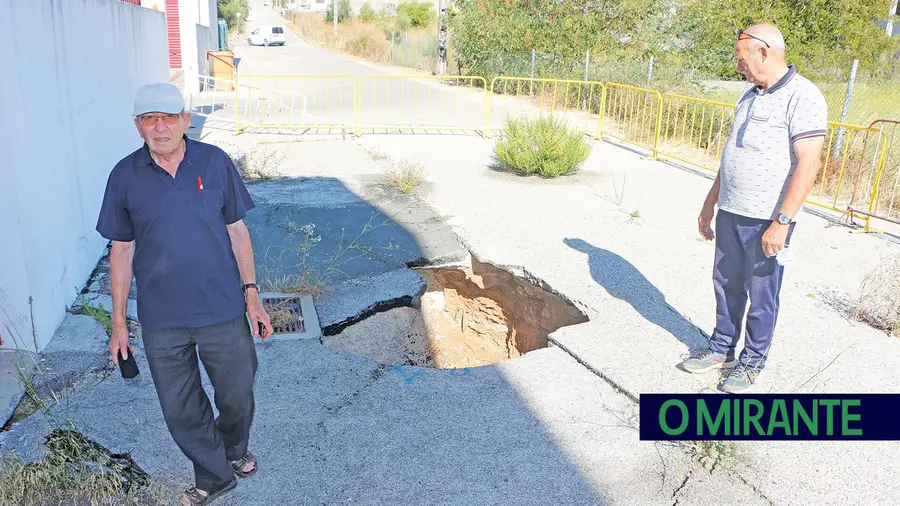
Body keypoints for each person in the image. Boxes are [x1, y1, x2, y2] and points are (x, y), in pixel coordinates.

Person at [96, 82, 274, 505]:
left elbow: (237, 232)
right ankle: (214, 475)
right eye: (149, 119)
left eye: (168, 118)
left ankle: (231, 449)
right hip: (162, 318)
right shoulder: (124, 175)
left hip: (223, 308)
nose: (160, 127)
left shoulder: (214, 163)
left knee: (237, 394)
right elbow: (121, 252)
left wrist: (252, 296)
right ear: (138, 127)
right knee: (179, 408)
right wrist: (119, 324)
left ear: (185, 121)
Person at [680, 24, 827, 393]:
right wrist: (710, 202)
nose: (738, 65)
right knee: (726, 284)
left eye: (741, 57)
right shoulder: (748, 96)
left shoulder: (803, 96)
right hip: (731, 211)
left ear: (763, 52)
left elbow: (809, 165)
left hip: (768, 218)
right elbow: (733, 154)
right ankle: (721, 349)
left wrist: (782, 222)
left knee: (761, 294)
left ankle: (752, 362)